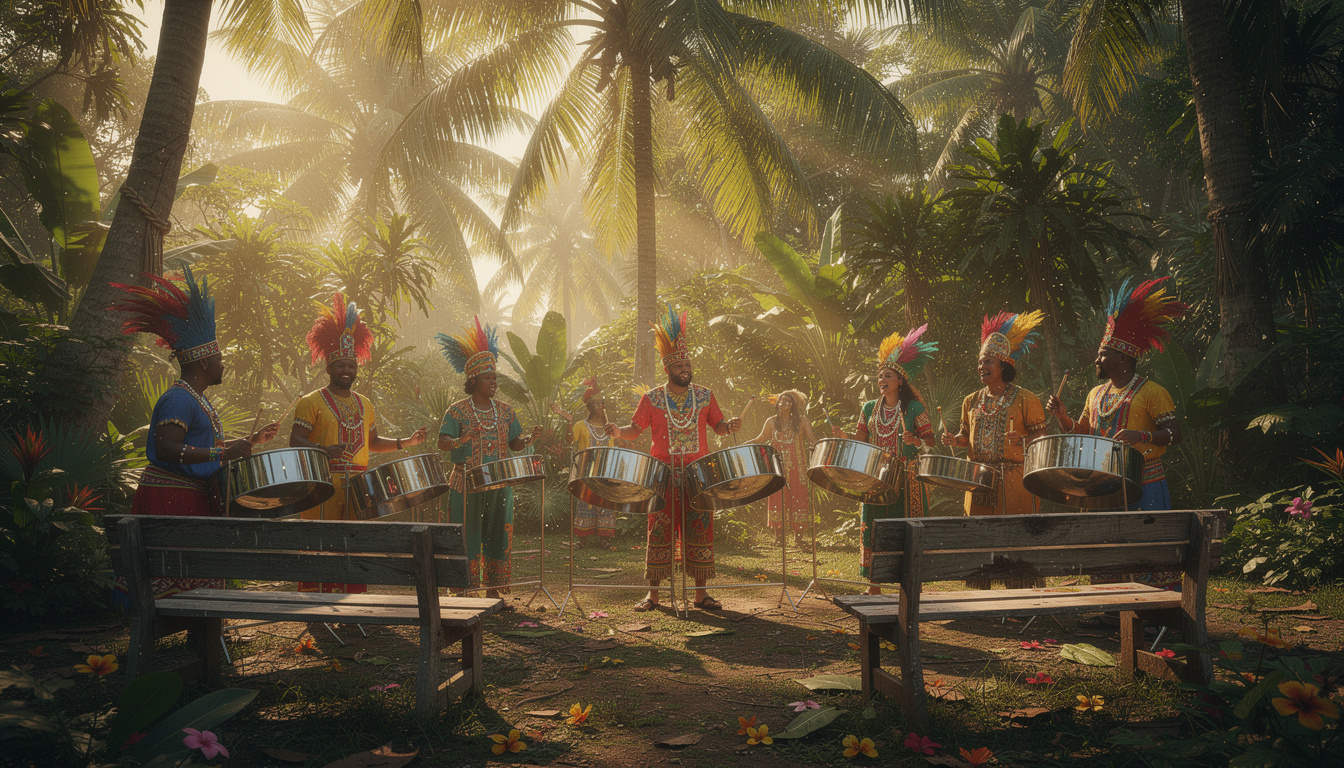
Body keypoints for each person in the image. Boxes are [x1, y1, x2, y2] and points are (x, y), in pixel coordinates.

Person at [110, 267, 279, 599]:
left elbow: (202, 445)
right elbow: (168, 448)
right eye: (218, 358)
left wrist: (249, 441)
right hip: (172, 498)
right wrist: (222, 453)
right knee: (174, 588)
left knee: (196, 585)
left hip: (189, 496)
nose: (222, 363)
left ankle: (197, 624)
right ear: (203, 362)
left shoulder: (195, 398)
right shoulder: (178, 399)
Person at [1047, 277, 1186, 604]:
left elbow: (1175, 434)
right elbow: (1083, 432)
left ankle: (1154, 612)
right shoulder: (1095, 394)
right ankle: (1109, 610)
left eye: (1102, 354)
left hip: (1145, 482)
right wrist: (1063, 417)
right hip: (1103, 484)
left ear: (1123, 357)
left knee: (1145, 549)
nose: (1096, 360)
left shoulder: (1152, 392)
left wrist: (1141, 436)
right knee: (1104, 549)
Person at [606, 307, 741, 612]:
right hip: (663, 475)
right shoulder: (652, 398)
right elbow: (635, 430)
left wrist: (729, 426)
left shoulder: (705, 396)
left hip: (697, 475)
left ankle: (701, 594)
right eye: (679, 365)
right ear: (668, 368)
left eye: (687, 364)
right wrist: (617, 431)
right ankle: (653, 595)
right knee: (659, 530)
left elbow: (718, 426)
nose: (685, 369)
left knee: (700, 527)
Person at [291, 293, 427, 593]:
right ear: (329, 368)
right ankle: (316, 602)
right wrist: (324, 451)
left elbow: (373, 442)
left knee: (355, 545)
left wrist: (406, 442)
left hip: (357, 486)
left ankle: (353, 602)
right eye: (341, 365)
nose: (347, 371)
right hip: (323, 484)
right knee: (320, 544)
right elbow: (296, 440)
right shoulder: (311, 402)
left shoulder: (365, 404)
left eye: (351, 366)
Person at [437, 317, 543, 599]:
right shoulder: (457, 411)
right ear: (473, 380)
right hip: (465, 484)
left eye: (495, 378)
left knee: (498, 534)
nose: (494, 382)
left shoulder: (506, 411)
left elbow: (515, 444)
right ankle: (465, 591)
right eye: (488, 378)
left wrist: (529, 439)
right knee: (467, 534)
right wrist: (461, 440)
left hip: (499, 483)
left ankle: (494, 592)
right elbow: (442, 442)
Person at [833, 325, 936, 595]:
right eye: (880, 376)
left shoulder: (914, 408)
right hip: (876, 476)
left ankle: (909, 585)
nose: (882, 379)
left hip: (907, 478)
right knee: (874, 527)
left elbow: (931, 440)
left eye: (888, 375)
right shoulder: (869, 407)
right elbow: (860, 441)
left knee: (906, 528)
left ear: (900, 380)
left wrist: (915, 440)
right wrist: (844, 436)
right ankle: (874, 586)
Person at [942, 311, 1049, 516]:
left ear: (1003, 366)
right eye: (980, 362)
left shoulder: (1026, 399)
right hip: (977, 481)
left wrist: (1022, 441)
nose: (982, 366)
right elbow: (966, 437)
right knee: (977, 532)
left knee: (1013, 531)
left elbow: (1042, 435)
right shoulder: (970, 400)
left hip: (1013, 482)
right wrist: (954, 440)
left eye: (988, 362)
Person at [551, 378, 619, 549]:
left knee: (605, 503)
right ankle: (582, 539)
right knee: (586, 502)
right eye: (597, 403)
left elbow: (612, 449)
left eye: (602, 403)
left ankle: (604, 538)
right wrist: (569, 421)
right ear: (589, 407)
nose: (601, 406)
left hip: (605, 470)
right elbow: (569, 440)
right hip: (586, 470)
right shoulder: (581, 425)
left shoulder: (609, 428)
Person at [750, 390, 815, 547]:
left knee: (799, 496)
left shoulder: (802, 421)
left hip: (797, 466)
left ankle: (799, 537)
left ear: (794, 404)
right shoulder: (771, 422)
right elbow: (760, 438)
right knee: (777, 497)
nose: (784, 403)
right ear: (777, 403)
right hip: (777, 466)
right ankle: (779, 536)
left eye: (788, 401)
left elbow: (812, 440)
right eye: (782, 400)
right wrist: (744, 445)